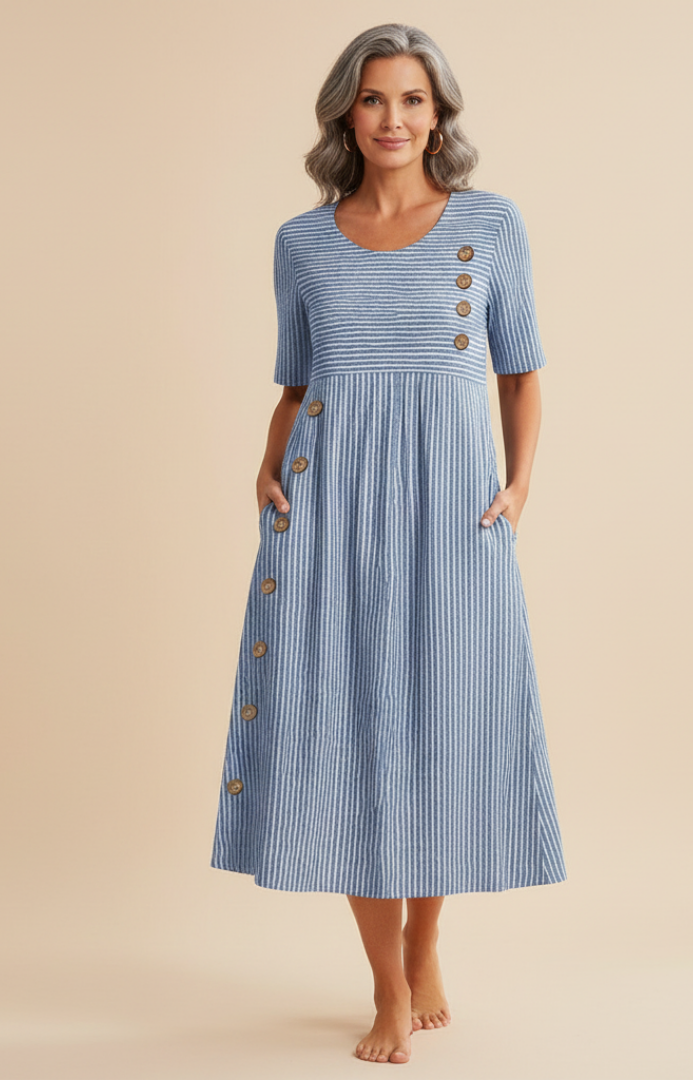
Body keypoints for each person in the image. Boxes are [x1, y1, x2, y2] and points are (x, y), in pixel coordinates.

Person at [210, 23, 567, 1065]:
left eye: (413, 99)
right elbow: (297, 383)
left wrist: (519, 487)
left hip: (455, 514)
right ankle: (386, 985)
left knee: (442, 727)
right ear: (346, 116)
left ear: (439, 116)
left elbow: (520, 371)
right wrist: (266, 465)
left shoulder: (490, 226)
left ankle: (426, 940)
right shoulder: (302, 242)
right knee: (351, 731)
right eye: (374, 99)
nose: (394, 119)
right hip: (329, 511)